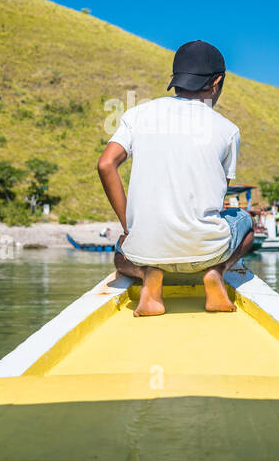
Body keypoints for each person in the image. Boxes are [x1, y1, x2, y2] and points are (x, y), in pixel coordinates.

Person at [96, 40, 255, 316]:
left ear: (175, 80)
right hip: (207, 251)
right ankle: (215, 273)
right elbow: (216, 199)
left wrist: (127, 225)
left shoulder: (137, 114)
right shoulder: (228, 130)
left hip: (145, 249)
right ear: (216, 82)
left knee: (121, 252)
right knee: (247, 223)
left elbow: (106, 163)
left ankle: (150, 277)